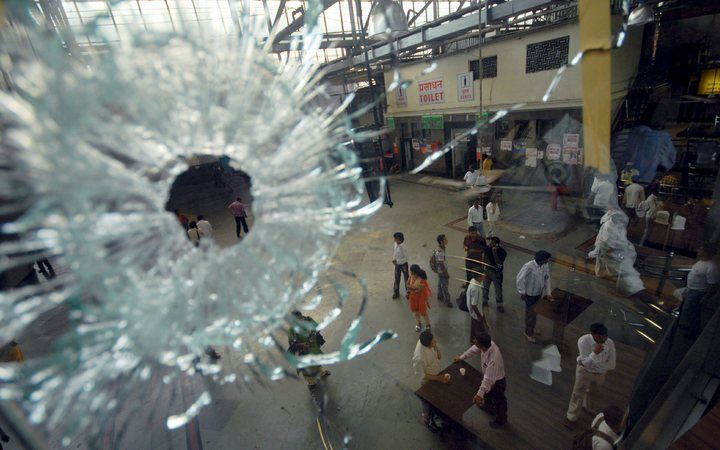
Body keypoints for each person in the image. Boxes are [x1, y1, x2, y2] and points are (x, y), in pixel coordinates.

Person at [564, 323, 616, 429]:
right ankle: (571, 416)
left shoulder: (609, 342)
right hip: (584, 372)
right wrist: (594, 354)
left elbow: (612, 365)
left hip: (600, 374)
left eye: (605, 336)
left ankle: (588, 407)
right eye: (601, 336)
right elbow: (585, 364)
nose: (604, 339)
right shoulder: (583, 341)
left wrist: (593, 363)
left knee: (594, 393)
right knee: (578, 393)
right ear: (593, 334)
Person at [453, 332, 507, 428]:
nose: (474, 341)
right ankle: (488, 407)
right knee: (488, 395)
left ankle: (501, 420)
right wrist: (462, 357)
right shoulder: (488, 345)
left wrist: (479, 395)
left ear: (482, 345)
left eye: (476, 341)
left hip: (497, 382)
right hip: (490, 378)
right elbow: (473, 349)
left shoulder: (493, 359)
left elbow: (488, 380)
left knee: (499, 401)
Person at [678, 244, 719, 338]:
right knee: (693, 311)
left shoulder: (711, 267)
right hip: (691, 289)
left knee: (688, 309)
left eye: (700, 249)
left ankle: (694, 331)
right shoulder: (700, 262)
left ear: (706, 252)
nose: (698, 250)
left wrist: (705, 297)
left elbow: (712, 285)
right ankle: (691, 326)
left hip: (698, 292)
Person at [413, 330, 451, 429]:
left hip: (436, 372)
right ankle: (426, 418)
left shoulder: (428, 342)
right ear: (427, 345)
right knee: (427, 400)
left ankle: (436, 412)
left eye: (434, 339)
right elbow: (422, 375)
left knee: (437, 397)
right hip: (428, 380)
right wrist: (438, 378)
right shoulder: (419, 358)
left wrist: (437, 349)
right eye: (434, 341)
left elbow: (437, 355)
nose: (436, 341)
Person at [516, 250, 553, 343]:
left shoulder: (545, 265)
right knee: (530, 314)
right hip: (530, 295)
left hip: (538, 293)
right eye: (546, 260)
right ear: (542, 260)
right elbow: (519, 278)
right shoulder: (529, 266)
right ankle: (528, 332)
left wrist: (548, 292)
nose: (548, 261)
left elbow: (547, 278)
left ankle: (532, 327)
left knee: (535, 312)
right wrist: (522, 292)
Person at [288, 310, 330, 386]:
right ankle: (311, 382)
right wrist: (301, 344)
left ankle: (321, 372)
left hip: (314, 345)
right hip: (304, 349)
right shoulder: (292, 329)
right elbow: (292, 342)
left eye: (300, 317)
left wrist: (315, 331)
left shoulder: (308, 320)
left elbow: (317, 327)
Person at [483, 237, 507, 313]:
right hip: (487, 270)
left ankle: (499, 305)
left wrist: (494, 253)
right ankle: (484, 301)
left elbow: (499, 263)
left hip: (496, 272)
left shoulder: (502, 252)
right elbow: (485, 257)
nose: (490, 244)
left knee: (498, 289)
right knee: (485, 287)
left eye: (493, 243)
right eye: (490, 243)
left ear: (497, 245)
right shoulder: (488, 248)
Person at [407, 264, 432, 332]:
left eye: (411, 271)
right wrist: (411, 288)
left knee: (423, 312)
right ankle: (418, 323)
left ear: (414, 272)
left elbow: (417, 290)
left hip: (420, 297)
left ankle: (428, 324)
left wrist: (411, 288)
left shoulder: (422, 280)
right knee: (415, 311)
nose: (410, 272)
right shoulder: (411, 277)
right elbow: (408, 285)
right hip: (413, 297)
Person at [431, 234, 453, 307]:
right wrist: (446, 273)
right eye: (445, 239)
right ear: (441, 242)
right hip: (442, 271)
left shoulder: (441, 248)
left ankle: (439, 295)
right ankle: (447, 301)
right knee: (445, 285)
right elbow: (441, 264)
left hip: (440, 270)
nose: (447, 240)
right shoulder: (440, 251)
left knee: (440, 282)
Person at [467, 272, 488, 342]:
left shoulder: (473, 280)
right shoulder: (475, 288)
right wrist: (480, 316)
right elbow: (474, 304)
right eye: (483, 275)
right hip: (476, 312)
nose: (484, 276)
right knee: (480, 329)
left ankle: (471, 339)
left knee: (473, 325)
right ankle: (479, 343)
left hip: (474, 312)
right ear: (479, 277)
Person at [391, 232, 409, 300]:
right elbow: (394, 253)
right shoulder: (395, 244)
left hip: (404, 265)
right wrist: (394, 260)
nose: (394, 240)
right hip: (397, 265)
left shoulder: (404, 248)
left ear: (399, 239)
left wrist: (397, 261)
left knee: (406, 279)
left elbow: (406, 258)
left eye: (395, 239)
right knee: (396, 278)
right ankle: (396, 292)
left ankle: (408, 292)